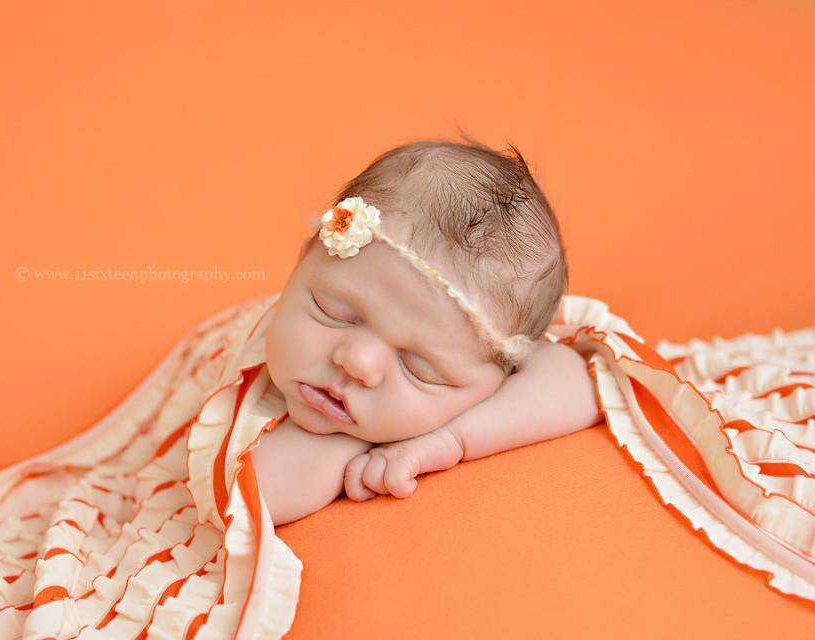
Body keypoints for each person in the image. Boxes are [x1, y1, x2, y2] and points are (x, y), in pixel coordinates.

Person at [253, 137, 602, 525]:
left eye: (419, 369)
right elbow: (252, 497)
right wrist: (345, 443)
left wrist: (450, 439)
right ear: (303, 261)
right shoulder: (254, 375)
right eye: (333, 312)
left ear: (507, 377)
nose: (358, 362)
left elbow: (583, 382)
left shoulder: (498, 368)